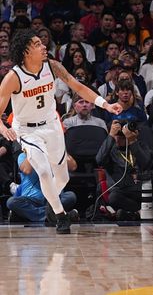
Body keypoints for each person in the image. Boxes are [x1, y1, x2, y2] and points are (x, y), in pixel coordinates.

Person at [0, 29, 123, 233]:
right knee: (44, 171)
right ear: (26, 51)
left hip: (51, 125)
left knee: (63, 178)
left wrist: (105, 105)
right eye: (38, 44)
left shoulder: (53, 66)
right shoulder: (14, 77)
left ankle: (52, 206)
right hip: (28, 131)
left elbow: (78, 87)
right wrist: (4, 129)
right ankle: (60, 217)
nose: (44, 46)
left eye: (42, 43)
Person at [7, 152, 78, 223]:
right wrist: (34, 151)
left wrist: (60, 150)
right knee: (11, 202)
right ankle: (54, 216)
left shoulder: (54, 153)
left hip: (54, 198)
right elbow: (27, 170)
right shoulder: (23, 156)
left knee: (71, 196)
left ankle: (35, 215)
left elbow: (73, 166)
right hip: (32, 199)